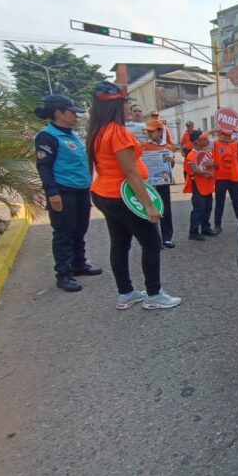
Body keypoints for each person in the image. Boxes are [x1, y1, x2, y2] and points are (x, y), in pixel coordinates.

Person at [87, 81, 181, 310]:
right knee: (152, 243)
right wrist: (149, 206)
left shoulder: (97, 130)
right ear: (114, 106)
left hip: (105, 193)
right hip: (124, 196)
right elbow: (130, 172)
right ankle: (154, 295)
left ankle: (126, 293)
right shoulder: (117, 132)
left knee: (120, 244)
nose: (127, 108)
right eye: (124, 104)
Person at [34, 94, 101, 292]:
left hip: (80, 190)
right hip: (63, 191)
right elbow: (44, 167)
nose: (76, 116)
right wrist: (52, 194)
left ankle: (79, 264)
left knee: (80, 229)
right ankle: (63, 274)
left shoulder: (71, 134)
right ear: (59, 113)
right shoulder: (47, 136)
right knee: (64, 232)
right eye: (72, 112)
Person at [142, 119, 177, 248]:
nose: (150, 133)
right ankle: (154, 239)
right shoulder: (144, 146)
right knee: (151, 209)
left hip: (163, 183)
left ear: (160, 131)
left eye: (152, 131)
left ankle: (167, 238)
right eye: (148, 131)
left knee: (165, 209)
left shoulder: (168, 147)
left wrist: (171, 161)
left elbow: (171, 167)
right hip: (149, 184)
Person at [213, 124, 238, 233]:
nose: (227, 137)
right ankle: (217, 226)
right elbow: (201, 139)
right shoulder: (215, 144)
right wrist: (212, 130)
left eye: (228, 135)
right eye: (224, 134)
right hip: (220, 179)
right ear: (220, 134)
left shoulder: (235, 144)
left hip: (233, 179)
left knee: (237, 203)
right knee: (219, 204)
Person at [184, 131, 217, 241]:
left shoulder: (206, 152)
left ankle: (205, 228)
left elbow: (214, 164)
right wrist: (206, 173)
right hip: (198, 185)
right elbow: (195, 170)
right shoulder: (191, 155)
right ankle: (193, 231)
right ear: (196, 141)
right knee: (199, 208)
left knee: (208, 207)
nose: (206, 141)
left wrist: (212, 164)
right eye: (203, 139)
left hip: (207, 184)